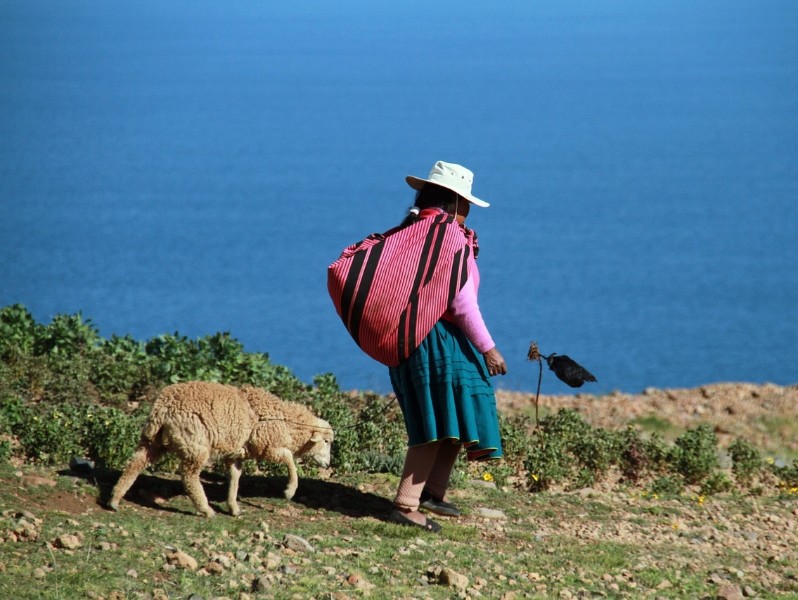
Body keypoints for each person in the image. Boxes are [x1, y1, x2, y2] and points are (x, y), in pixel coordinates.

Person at [385, 160, 507, 533]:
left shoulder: (412, 230)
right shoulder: (449, 238)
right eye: (466, 202)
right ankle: (406, 504)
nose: (468, 211)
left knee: (453, 409)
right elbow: (461, 301)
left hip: (412, 338)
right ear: (456, 201)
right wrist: (487, 347)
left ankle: (433, 492)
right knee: (436, 419)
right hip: (437, 340)